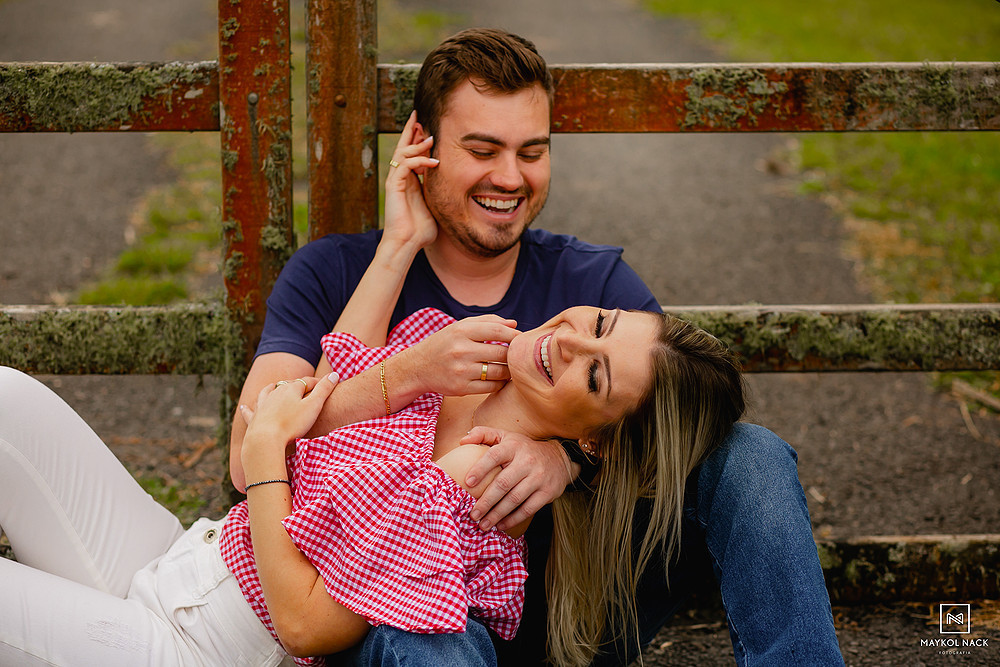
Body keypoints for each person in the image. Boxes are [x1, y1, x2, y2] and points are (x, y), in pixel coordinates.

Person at [230, 26, 842, 666]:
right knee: (421, 626)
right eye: (483, 148)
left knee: (748, 453)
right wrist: (405, 372)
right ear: (424, 146)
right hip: (414, 626)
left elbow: (664, 416)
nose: (510, 177)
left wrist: (566, 462)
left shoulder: (590, 288)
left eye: (531, 151)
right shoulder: (335, 272)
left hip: (572, 607)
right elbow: (250, 462)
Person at [0, 292, 745, 665]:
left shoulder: (473, 483)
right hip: (176, 556)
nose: (571, 337)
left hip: (197, 649)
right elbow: (319, 394)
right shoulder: (458, 357)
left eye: (595, 368)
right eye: (604, 321)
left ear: (595, 438)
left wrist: (266, 463)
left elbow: (307, 623)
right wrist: (401, 250)